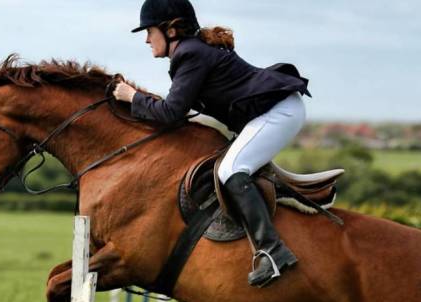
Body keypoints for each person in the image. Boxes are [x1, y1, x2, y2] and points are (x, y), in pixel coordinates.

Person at [113, 0, 310, 287]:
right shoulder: (192, 52)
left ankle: (273, 251)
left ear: (171, 30)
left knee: (230, 170)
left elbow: (170, 113)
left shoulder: (190, 54)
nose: (146, 39)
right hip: (273, 111)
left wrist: (132, 97)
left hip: (278, 112)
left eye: (149, 31)